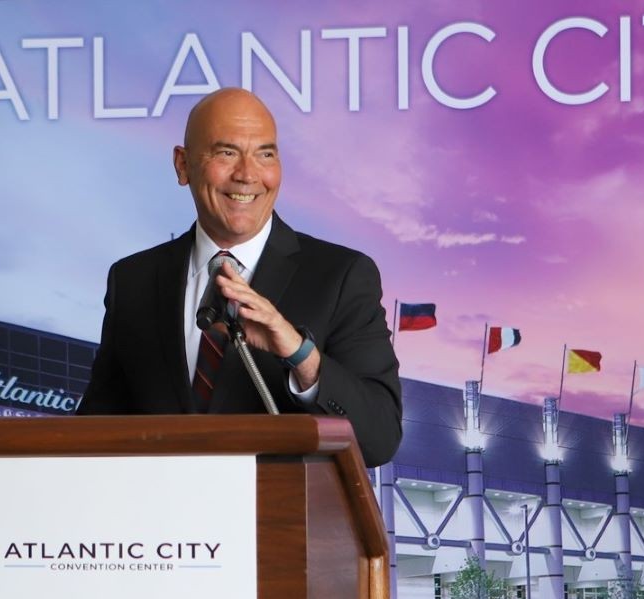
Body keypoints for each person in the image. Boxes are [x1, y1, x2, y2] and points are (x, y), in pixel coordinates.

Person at [78, 88, 402, 467]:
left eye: (265, 154)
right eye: (226, 153)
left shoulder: (343, 276)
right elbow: (95, 432)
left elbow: (379, 439)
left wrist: (300, 353)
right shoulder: (133, 280)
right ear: (183, 166)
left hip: (282, 522)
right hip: (161, 522)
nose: (248, 175)